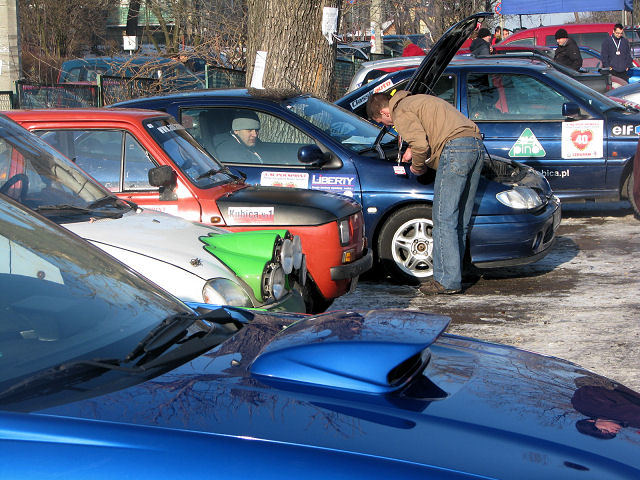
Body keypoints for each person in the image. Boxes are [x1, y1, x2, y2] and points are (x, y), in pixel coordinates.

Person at [366, 91, 484, 295]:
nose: (388, 125)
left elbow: (421, 145)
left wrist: (417, 167)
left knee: (444, 218)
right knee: (460, 220)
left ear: (385, 112)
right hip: (475, 145)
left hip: (454, 150)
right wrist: (412, 148)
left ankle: (446, 281)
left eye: (383, 123)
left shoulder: (400, 110)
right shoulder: (415, 101)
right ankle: (457, 272)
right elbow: (430, 131)